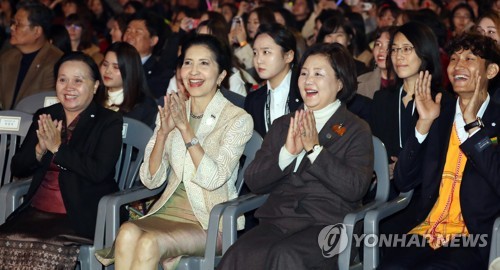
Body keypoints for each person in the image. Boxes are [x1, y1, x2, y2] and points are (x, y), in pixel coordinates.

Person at [96, 34, 254, 270]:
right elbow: (150, 179)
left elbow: (213, 179)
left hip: (208, 221)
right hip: (167, 211)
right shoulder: (175, 109)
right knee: (127, 231)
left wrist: (186, 131)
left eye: (204, 63)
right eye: (188, 63)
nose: (193, 71)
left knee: (148, 241)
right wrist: (163, 133)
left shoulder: (237, 119)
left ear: (221, 75)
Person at [218, 42, 374, 270]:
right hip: (279, 220)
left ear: (340, 83)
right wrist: (287, 154)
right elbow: (253, 180)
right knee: (239, 255)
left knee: (286, 257)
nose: (308, 81)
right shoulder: (284, 125)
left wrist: (315, 150)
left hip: (329, 224)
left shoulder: (355, 128)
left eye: (318, 74)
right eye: (304, 73)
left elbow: (356, 187)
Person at [378, 33, 500, 269]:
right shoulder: (439, 115)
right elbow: (404, 181)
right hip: (426, 229)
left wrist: (474, 126)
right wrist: (423, 124)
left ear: (492, 71)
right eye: (454, 59)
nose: (458, 66)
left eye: (469, 59)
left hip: (474, 237)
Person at [0, 52, 123, 268]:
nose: (69, 87)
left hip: (79, 212)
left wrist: (58, 148)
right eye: (62, 79)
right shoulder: (46, 115)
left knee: (43, 250)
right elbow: (18, 167)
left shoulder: (108, 121)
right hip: (36, 210)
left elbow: (98, 171)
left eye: (78, 80)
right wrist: (39, 149)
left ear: (95, 86)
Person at [370, 22, 444, 183]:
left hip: (424, 190)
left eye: (406, 49)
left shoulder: (441, 101)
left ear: (424, 52)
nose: (398, 56)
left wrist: (402, 166)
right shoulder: (381, 99)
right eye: (395, 49)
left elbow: (438, 158)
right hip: (386, 187)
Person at [0, 0, 63, 110]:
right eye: (12, 23)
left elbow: (44, 107)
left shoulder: (56, 62)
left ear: (37, 31)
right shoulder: (7, 58)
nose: (12, 28)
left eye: (18, 24)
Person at [245, 23, 301, 138]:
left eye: (266, 52)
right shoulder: (253, 100)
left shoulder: (305, 92)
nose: (258, 60)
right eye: (255, 53)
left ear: (288, 56)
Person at [97, 41, 157, 128]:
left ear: (130, 70)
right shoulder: (92, 97)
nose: (107, 71)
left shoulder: (144, 106)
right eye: (105, 64)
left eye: (116, 67)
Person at [123, 10, 173, 98]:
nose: (129, 36)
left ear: (153, 41)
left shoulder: (161, 74)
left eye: (137, 32)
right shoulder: (113, 63)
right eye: (128, 31)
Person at [357, 26, 396, 99]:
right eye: (378, 44)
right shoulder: (360, 83)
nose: (381, 50)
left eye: (388, 45)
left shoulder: (412, 84)